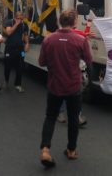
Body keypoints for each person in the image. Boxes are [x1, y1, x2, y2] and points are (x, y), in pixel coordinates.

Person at [38, 9, 92, 167]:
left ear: (60, 22)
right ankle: (71, 150)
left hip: (54, 86)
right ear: (74, 22)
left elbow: (41, 62)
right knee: (73, 119)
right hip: (73, 87)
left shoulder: (48, 40)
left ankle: (45, 150)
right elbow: (88, 61)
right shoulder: (80, 40)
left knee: (50, 117)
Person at [3, 11, 30, 92]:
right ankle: (6, 81)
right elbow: (8, 33)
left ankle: (18, 84)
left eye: (21, 18)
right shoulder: (9, 22)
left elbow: (25, 35)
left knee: (20, 66)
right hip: (10, 48)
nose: (20, 19)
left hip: (20, 49)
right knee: (8, 66)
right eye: (18, 18)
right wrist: (16, 24)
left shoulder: (24, 25)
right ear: (15, 17)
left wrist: (27, 43)